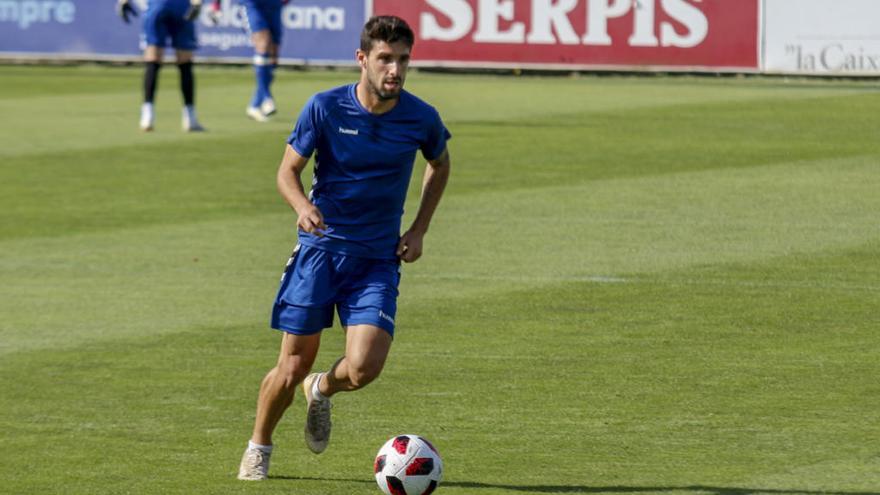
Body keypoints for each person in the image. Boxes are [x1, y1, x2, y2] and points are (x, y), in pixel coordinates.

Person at [236, 15, 452, 481]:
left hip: (376, 259)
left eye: (403, 60)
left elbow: (440, 163)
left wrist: (418, 229)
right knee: (291, 366)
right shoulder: (325, 108)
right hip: (320, 253)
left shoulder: (421, 117)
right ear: (362, 59)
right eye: (385, 59)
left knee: (363, 368)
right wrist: (300, 206)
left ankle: (323, 389)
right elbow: (286, 172)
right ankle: (259, 446)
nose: (395, 70)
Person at [117, 0, 206, 132]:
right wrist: (197, 3)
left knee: (153, 58)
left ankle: (147, 116)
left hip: (157, 6)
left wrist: (123, 2)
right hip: (181, 6)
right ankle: (190, 117)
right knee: (185, 61)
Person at [209, 0, 285, 122]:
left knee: (273, 56)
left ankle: (255, 105)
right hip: (252, 4)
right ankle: (267, 97)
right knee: (263, 43)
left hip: (274, 4)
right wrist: (216, 5)